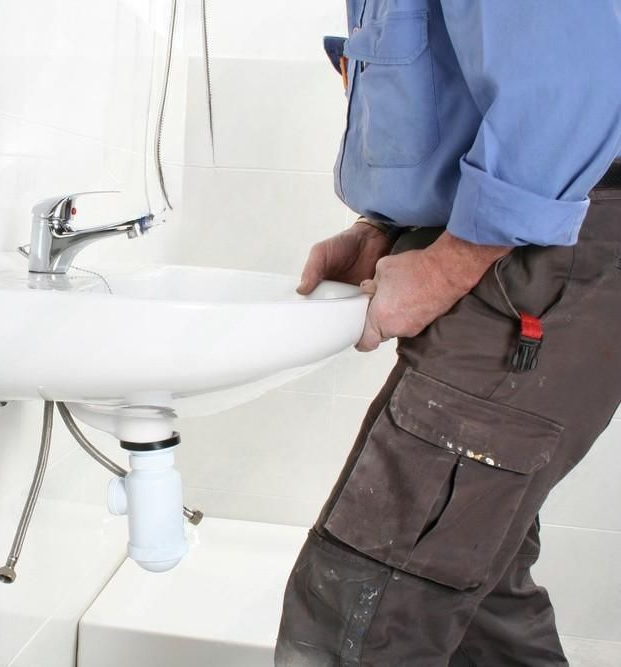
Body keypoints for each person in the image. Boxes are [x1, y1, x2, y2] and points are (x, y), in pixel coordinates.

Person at [275, 1, 621, 665]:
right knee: (480, 609)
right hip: (514, 248)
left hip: (543, 250)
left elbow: (566, 86)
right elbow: (437, 89)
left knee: (357, 617)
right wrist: (381, 228)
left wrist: (449, 262)